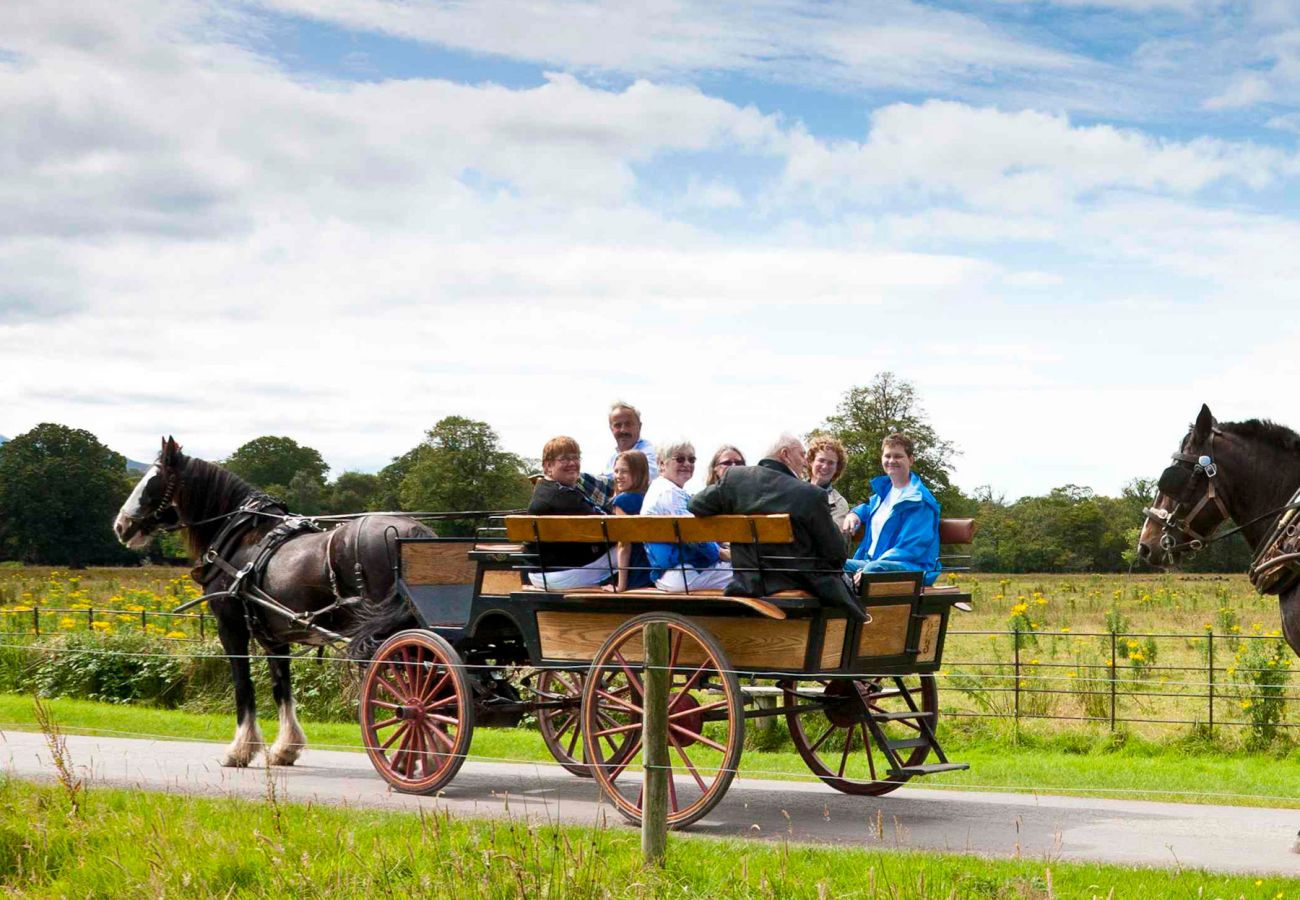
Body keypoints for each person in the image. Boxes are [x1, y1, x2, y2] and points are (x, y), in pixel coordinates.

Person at [689, 433, 867, 622]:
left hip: (747, 583)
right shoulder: (810, 495)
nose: (805, 462)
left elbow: (696, 505)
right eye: (801, 455)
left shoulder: (735, 478)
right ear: (785, 454)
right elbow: (837, 554)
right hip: (799, 586)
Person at [840, 433, 941, 586]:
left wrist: (868, 569)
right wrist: (855, 513)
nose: (891, 461)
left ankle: (854, 607)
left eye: (898, 456)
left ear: (911, 460)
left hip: (912, 567)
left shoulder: (919, 500)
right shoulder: (884, 492)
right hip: (875, 564)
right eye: (887, 456)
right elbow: (871, 509)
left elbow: (910, 547)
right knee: (834, 565)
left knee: (874, 569)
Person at [641, 440, 732, 591]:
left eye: (691, 459)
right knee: (750, 572)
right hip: (684, 573)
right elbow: (694, 534)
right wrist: (724, 553)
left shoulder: (660, 488)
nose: (687, 464)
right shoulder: (669, 492)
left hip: (673, 572)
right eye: (680, 459)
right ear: (662, 463)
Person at [525, 436, 616, 589]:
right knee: (633, 544)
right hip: (562, 573)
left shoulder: (543, 488)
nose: (572, 463)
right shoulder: (565, 497)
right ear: (548, 466)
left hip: (540, 572)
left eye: (575, 458)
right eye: (564, 459)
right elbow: (612, 531)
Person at [605, 449, 654, 591]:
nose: (618, 476)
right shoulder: (649, 498)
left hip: (637, 572)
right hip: (654, 569)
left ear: (638, 473)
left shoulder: (623, 501)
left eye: (624, 471)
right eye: (616, 471)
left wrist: (621, 586)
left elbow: (624, 546)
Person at [603, 401, 658, 479]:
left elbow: (647, 476)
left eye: (628, 424)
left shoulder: (649, 452)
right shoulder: (613, 458)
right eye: (617, 425)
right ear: (611, 429)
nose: (623, 430)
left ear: (639, 426)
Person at [805, 435, 850, 529]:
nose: (825, 467)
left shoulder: (839, 503)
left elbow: (836, 540)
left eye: (831, 463)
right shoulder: (793, 491)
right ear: (811, 462)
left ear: (837, 468)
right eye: (821, 460)